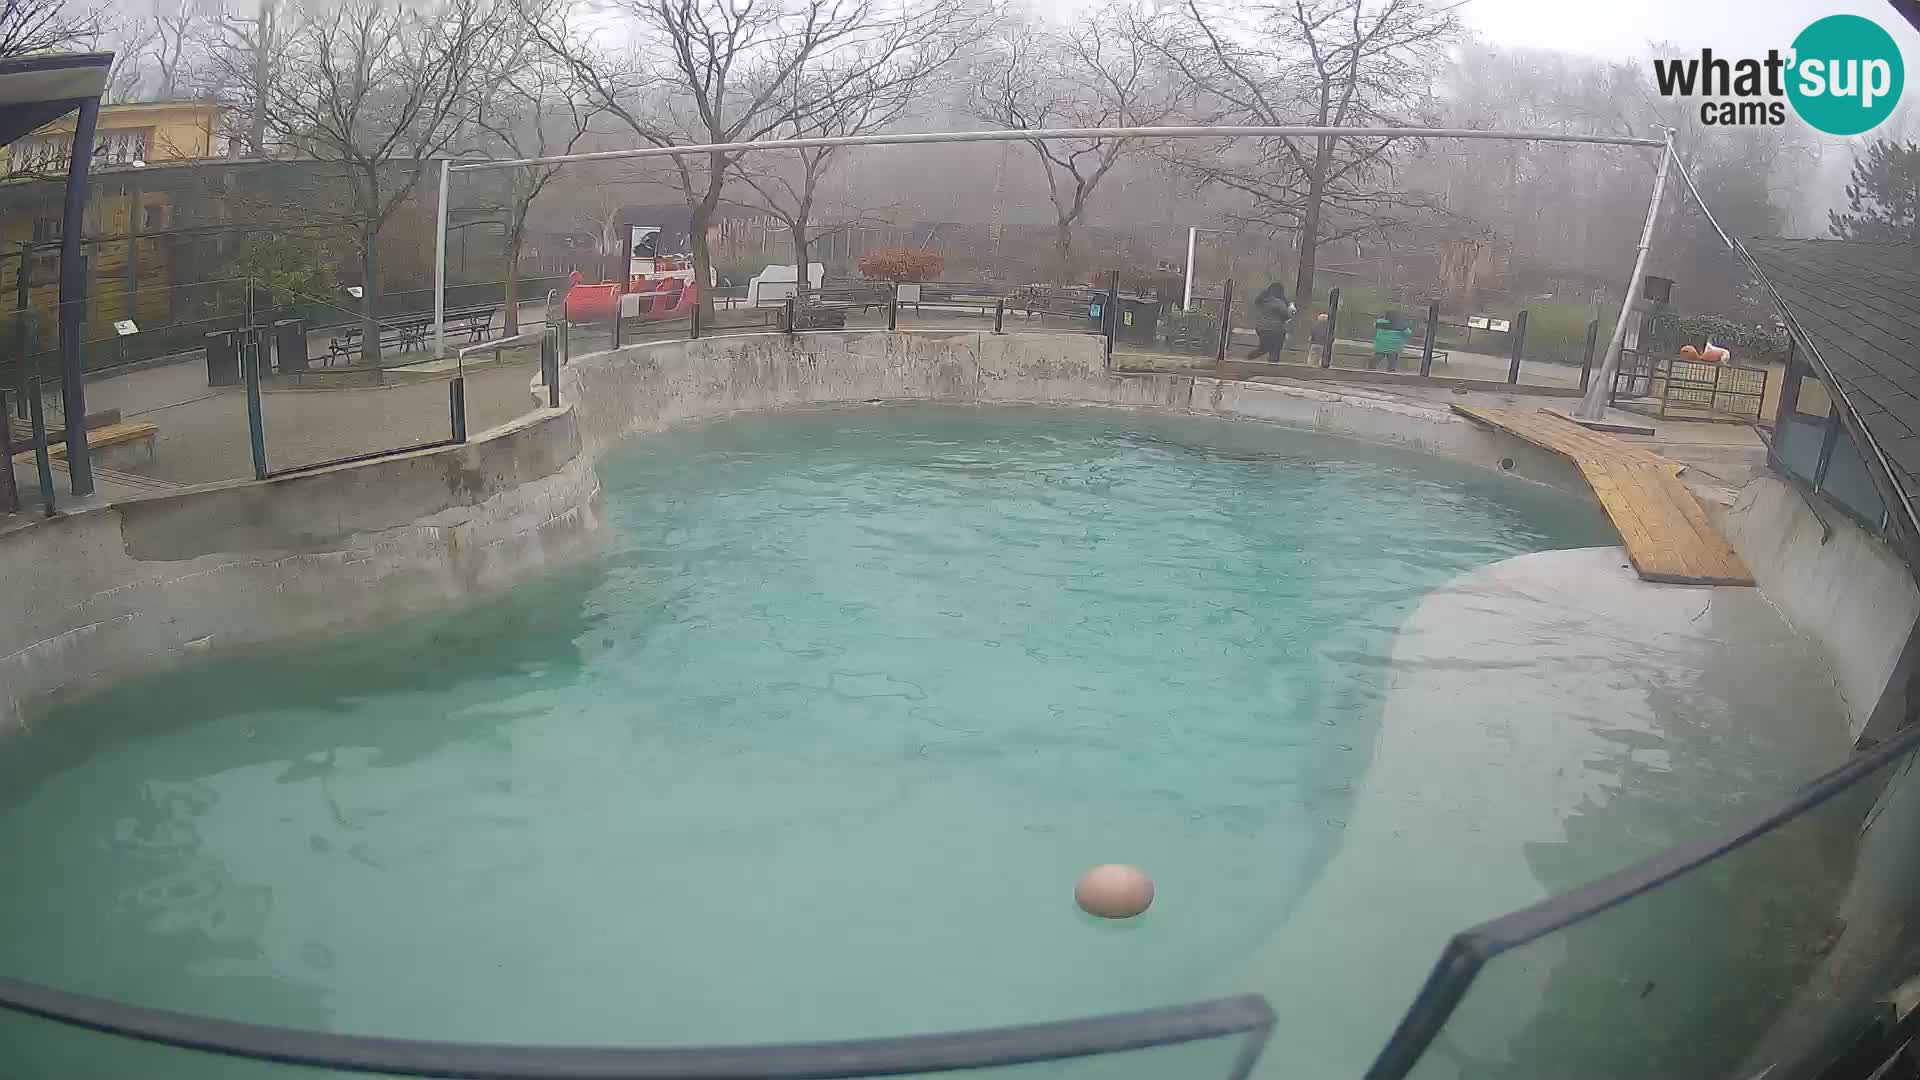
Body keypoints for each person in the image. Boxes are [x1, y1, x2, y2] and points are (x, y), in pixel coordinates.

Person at [1247, 283, 1295, 362]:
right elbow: (1286, 316)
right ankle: (1272, 365)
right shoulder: (1279, 302)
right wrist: (1291, 310)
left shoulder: (1261, 301)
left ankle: (1248, 358)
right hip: (1276, 329)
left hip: (1261, 329)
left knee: (1264, 348)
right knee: (1275, 350)